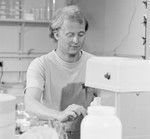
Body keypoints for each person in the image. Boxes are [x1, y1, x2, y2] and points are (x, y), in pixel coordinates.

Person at [24, 5, 96, 139]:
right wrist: (59, 114)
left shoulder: (95, 64)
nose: (76, 40)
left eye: (81, 34)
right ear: (57, 34)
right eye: (70, 35)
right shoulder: (41, 64)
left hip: (88, 134)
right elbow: (30, 103)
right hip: (55, 135)